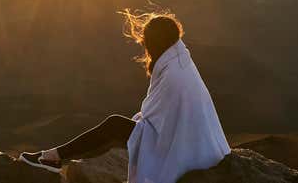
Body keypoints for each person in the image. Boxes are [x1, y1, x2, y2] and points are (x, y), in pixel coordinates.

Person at [19, 10, 230, 183]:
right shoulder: (180, 60)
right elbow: (163, 116)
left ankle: (52, 157)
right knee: (121, 127)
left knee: (115, 126)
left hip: (182, 149)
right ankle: (54, 157)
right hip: (199, 145)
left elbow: (156, 121)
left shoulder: (174, 74)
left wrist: (138, 126)